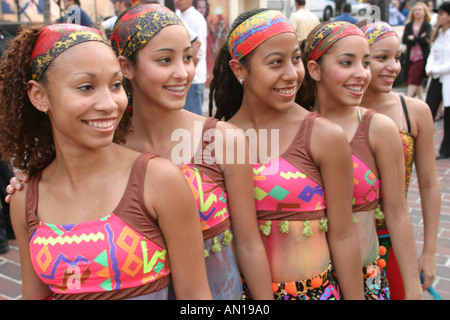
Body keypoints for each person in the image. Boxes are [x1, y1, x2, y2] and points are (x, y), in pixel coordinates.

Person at [0, 23, 212, 300]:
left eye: (115, 85)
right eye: (86, 87)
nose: (110, 103)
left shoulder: (158, 179)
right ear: (39, 96)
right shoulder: (25, 197)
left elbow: (195, 298)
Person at [110, 4, 273, 300]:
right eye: (164, 60)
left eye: (187, 57)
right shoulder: (106, 149)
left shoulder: (224, 140)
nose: (182, 72)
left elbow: (249, 244)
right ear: (126, 67)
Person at [210, 9, 365, 300]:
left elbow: (343, 236)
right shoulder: (218, 139)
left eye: (295, 59)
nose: (292, 74)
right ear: (239, 69)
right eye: (275, 63)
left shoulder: (323, 135)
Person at [300, 20, 423, 300]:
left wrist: (413, 289)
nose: (361, 74)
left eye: (365, 63)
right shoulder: (293, 127)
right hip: (307, 286)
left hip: (366, 281)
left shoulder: (378, 128)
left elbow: (398, 213)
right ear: (314, 70)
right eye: (347, 63)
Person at [359, 20, 440, 300]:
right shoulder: (333, 113)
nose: (394, 67)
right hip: (345, 241)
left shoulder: (415, 112)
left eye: (397, 58)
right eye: (382, 58)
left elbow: (429, 185)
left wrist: (428, 252)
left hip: (392, 241)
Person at [425, 1, 450, 159]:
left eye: (441, 14)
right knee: (428, 112)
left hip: (446, 78)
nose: (438, 16)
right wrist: (429, 69)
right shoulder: (437, 33)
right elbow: (432, 54)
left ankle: (445, 149)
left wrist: (437, 70)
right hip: (435, 77)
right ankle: (422, 148)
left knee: (448, 117)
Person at [174, 0, 207, 115]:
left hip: (194, 80)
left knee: (194, 121)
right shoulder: (178, 14)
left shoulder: (195, 18)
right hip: (185, 79)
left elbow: (199, 48)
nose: (176, 1)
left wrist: (187, 73)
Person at [402, 1, 432, 100]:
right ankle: (422, 103)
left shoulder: (427, 25)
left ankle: (406, 101)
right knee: (417, 81)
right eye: (415, 10)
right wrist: (418, 38)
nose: (417, 12)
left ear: (424, 12)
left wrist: (414, 38)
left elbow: (426, 40)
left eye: (420, 10)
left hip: (421, 57)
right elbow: (404, 39)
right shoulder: (409, 25)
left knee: (413, 80)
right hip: (410, 57)